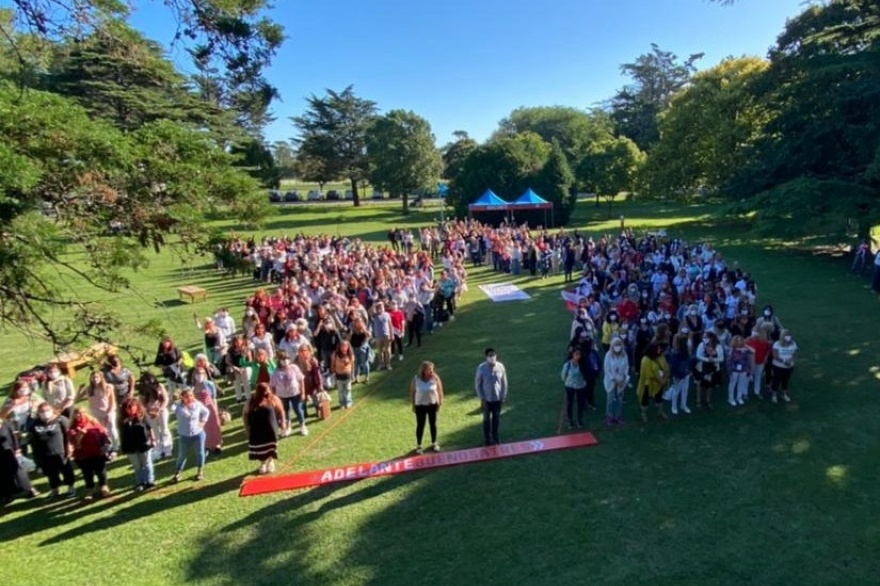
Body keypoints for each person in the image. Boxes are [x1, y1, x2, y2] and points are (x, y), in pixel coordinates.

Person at [28, 402, 75, 498]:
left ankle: (70, 487)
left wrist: (69, 447)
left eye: (47, 410)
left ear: (52, 410)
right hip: (44, 453)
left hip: (60, 451)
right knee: (50, 473)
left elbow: (68, 434)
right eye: (42, 411)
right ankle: (55, 489)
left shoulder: (60, 420)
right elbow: (33, 439)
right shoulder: (34, 423)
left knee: (66, 470)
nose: (45, 413)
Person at [243, 382, 286, 475]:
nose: (267, 393)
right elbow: (245, 414)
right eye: (265, 391)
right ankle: (262, 463)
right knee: (260, 447)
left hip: (270, 428)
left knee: (270, 446)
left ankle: (270, 461)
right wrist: (246, 427)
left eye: (268, 390)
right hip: (257, 429)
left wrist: (283, 422)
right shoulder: (251, 401)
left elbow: (281, 411)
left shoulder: (273, 398)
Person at [68, 408, 112, 500]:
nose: (78, 416)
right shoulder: (73, 427)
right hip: (83, 455)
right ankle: (90, 489)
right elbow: (75, 443)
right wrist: (80, 434)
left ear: (86, 414)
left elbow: (103, 435)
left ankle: (104, 487)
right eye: (76, 414)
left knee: (101, 471)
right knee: (87, 473)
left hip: (98, 453)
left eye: (80, 413)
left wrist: (105, 444)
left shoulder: (94, 423)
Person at [76, 370, 119, 454]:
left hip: (108, 411)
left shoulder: (108, 387)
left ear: (101, 378)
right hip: (96, 413)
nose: (95, 379)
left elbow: (112, 402)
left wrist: (108, 413)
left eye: (97, 377)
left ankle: (115, 446)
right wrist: (80, 389)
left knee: (112, 429)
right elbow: (76, 399)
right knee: (101, 431)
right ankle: (107, 446)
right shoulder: (89, 389)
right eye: (93, 377)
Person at [172, 388, 209, 483]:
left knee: (200, 452)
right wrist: (174, 400)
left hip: (198, 433)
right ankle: (178, 472)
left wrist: (202, 422)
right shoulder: (178, 406)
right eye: (187, 396)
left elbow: (206, 412)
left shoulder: (197, 404)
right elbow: (170, 408)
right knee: (182, 455)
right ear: (182, 397)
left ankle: (200, 471)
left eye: (191, 396)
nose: (189, 398)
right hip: (184, 435)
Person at [0, 416, 39, 505]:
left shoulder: (5, 423)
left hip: (9, 452)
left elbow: (13, 437)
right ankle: (7, 495)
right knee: (2, 475)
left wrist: (17, 448)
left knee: (19, 471)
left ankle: (29, 489)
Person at [119, 397, 156, 492]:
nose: (129, 410)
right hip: (130, 446)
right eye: (127, 408)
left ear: (136, 407)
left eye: (131, 407)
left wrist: (153, 440)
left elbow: (149, 428)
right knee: (137, 465)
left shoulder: (142, 416)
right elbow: (122, 434)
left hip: (143, 444)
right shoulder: (122, 419)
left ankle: (149, 481)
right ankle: (140, 482)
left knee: (147, 463)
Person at [474, 348, 508, 446]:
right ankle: (487, 440)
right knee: (486, 420)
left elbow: (504, 383)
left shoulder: (500, 367)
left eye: (493, 355)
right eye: (490, 355)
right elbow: (478, 384)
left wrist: (503, 397)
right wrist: (482, 398)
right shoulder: (481, 368)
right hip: (486, 400)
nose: (492, 357)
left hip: (497, 399)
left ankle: (496, 438)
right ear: (486, 357)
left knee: (496, 419)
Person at [270, 351, 308, 436]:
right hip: (282, 395)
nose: (285, 361)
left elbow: (301, 379)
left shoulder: (294, 368)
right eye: (283, 359)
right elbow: (272, 385)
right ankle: (288, 427)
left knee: (298, 410)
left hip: (295, 393)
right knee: (285, 412)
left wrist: (303, 393)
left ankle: (302, 426)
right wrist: (273, 397)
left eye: (287, 359)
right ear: (279, 361)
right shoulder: (275, 372)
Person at [410, 361, 444, 454]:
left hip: (432, 404)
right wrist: (413, 405)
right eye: (429, 369)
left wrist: (440, 402)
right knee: (420, 425)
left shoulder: (435, 378)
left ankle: (434, 443)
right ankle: (419, 445)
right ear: (423, 370)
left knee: (433, 424)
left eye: (432, 369)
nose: (431, 371)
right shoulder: (416, 379)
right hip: (420, 405)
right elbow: (413, 392)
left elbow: (440, 390)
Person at [1, 380, 40, 458]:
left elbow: (43, 406)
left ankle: (39, 465)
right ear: (16, 390)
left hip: (31, 425)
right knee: (21, 448)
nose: (23, 390)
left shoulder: (33, 397)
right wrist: (12, 406)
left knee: (37, 447)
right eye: (21, 388)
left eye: (25, 387)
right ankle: (23, 465)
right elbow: (2, 416)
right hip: (17, 429)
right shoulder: (10, 400)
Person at [139, 372, 173, 460]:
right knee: (155, 431)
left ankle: (167, 449)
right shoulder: (142, 390)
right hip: (149, 413)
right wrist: (148, 412)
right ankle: (158, 449)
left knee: (164, 429)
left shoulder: (160, 386)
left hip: (161, 411)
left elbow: (166, 399)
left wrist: (159, 410)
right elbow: (141, 404)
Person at [192, 366, 223, 454]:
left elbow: (214, 397)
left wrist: (215, 409)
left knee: (214, 426)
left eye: (201, 373)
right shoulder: (192, 387)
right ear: (194, 375)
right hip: (199, 410)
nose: (199, 375)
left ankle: (217, 444)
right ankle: (207, 445)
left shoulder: (209, 384)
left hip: (210, 407)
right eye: (197, 374)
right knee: (204, 427)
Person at [637, 343, 669, 422]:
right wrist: (661, 381)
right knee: (645, 399)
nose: (660, 350)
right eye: (657, 349)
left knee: (659, 398)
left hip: (659, 383)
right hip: (647, 384)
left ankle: (660, 411)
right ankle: (643, 413)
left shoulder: (660, 356)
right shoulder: (645, 360)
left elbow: (665, 367)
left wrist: (665, 377)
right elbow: (649, 375)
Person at [603, 337, 629, 426]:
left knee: (619, 399)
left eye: (619, 345)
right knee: (610, 399)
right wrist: (614, 380)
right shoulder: (608, 355)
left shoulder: (624, 355)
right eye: (615, 345)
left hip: (621, 381)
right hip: (611, 381)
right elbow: (607, 370)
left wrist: (624, 377)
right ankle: (609, 416)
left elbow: (626, 367)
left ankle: (618, 416)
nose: (617, 347)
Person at [694, 332, 724, 409]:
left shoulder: (718, 346)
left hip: (712, 368)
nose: (705, 339)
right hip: (702, 367)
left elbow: (721, 358)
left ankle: (708, 401)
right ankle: (698, 401)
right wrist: (707, 359)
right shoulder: (702, 345)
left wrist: (713, 359)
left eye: (706, 337)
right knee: (700, 383)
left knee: (710, 384)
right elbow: (698, 355)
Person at [561, 350, 589, 429]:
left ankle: (579, 420)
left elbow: (586, 374)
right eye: (576, 354)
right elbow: (563, 375)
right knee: (570, 403)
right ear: (572, 355)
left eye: (579, 354)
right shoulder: (568, 365)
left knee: (580, 404)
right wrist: (567, 381)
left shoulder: (583, 364)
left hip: (581, 386)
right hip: (570, 386)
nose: (578, 356)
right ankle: (570, 421)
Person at [666, 333, 692, 415]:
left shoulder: (686, 352)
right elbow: (673, 366)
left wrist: (688, 371)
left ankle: (683, 405)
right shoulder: (676, 353)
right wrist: (675, 375)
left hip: (685, 373)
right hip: (678, 375)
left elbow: (688, 361)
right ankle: (673, 406)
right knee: (676, 390)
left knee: (685, 389)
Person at [296, 344, 323, 418]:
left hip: (311, 382)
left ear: (308, 351)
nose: (303, 352)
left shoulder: (312, 359)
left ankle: (318, 411)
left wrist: (319, 384)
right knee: (303, 399)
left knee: (315, 398)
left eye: (304, 350)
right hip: (301, 383)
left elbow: (317, 373)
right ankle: (304, 413)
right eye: (301, 351)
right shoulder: (296, 360)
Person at [771, 329, 798, 404]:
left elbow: (795, 354)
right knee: (776, 380)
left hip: (789, 366)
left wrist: (791, 360)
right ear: (782, 336)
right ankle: (774, 395)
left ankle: (784, 394)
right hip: (778, 366)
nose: (788, 337)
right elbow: (775, 355)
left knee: (786, 380)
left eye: (789, 335)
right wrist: (784, 361)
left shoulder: (793, 344)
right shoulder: (777, 344)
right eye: (786, 335)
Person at [745, 327, 772, 400]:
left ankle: (757, 392)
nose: (755, 333)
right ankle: (745, 393)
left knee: (758, 377)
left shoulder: (764, 341)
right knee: (747, 377)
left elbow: (769, 349)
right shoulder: (748, 340)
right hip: (750, 363)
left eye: (756, 331)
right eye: (753, 331)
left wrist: (766, 356)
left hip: (760, 362)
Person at [727, 335, 752, 407]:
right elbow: (728, 360)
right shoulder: (731, 349)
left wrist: (745, 345)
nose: (740, 342)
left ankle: (739, 397)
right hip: (734, 369)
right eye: (738, 340)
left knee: (741, 383)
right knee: (732, 384)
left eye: (741, 340)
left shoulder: (744, 350)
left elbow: (752, 351)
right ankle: (731, 399)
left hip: (743, 369)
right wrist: (729, 370)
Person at [331, 340, 356, 409]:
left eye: (345, 346)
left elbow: (352, 365)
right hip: (339, 376)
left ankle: (348, 402)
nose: (343, 348)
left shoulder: (350, 355)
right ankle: (342, 403)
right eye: (342, 346)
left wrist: (353, 374)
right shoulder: (335, 355)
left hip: (347, 376)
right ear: (339, 347)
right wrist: (333, 374)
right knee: (340, 391)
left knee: (348, 390)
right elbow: (332, 365)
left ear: (348, 347)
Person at [226, 335, 251, 403]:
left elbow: (250, 360)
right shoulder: (231, 350)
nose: (238, 343)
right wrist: (234, 367)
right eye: (236, 341)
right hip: (235, 368)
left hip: (244, 368)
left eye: (239, 341)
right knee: (237, 383)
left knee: (246, 383)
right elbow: (227, 360)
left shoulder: (246, 348)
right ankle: (238, 397)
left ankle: (248, 396)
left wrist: (244, 354)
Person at [349, 319, 373, 384]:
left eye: (358, 322)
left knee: (364, 363)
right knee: (356, 364)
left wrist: (364, 330)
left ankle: (366, 377)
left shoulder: (364, 330)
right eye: (356, 322)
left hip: (362, 349)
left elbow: (369, 335)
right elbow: (349, 339)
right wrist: (351, 332)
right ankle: (356, 378)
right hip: (354, 348)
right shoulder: (352, 330)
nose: (357, 323)